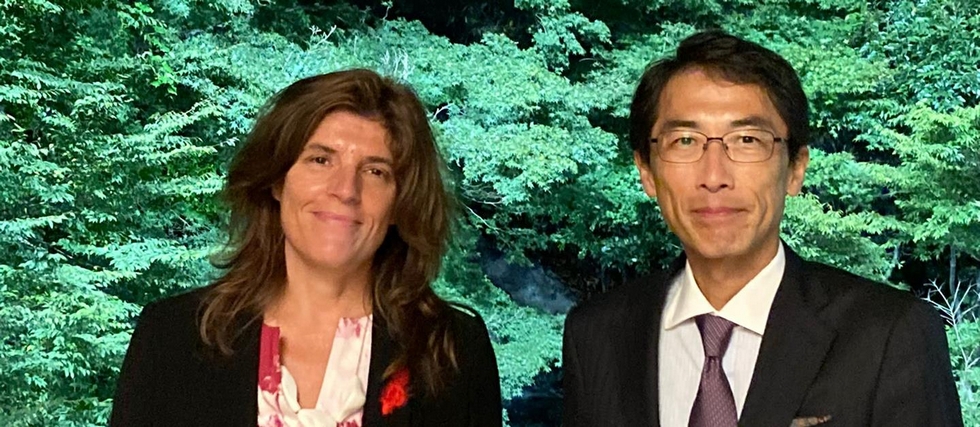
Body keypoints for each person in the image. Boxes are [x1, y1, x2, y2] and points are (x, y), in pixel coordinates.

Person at [561, 31, 963, 427]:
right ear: (647, 171)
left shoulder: (890, 334)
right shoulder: (596, 334)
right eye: (684, 141)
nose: (714, 177)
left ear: (795, 168)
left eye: (747, 140)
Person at [110, 69, 502, 427]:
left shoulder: (452, 351)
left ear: (400, 204)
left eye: (375, 171)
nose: (345, 190)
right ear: (276, 181)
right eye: (320, 160)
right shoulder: (171, 338)